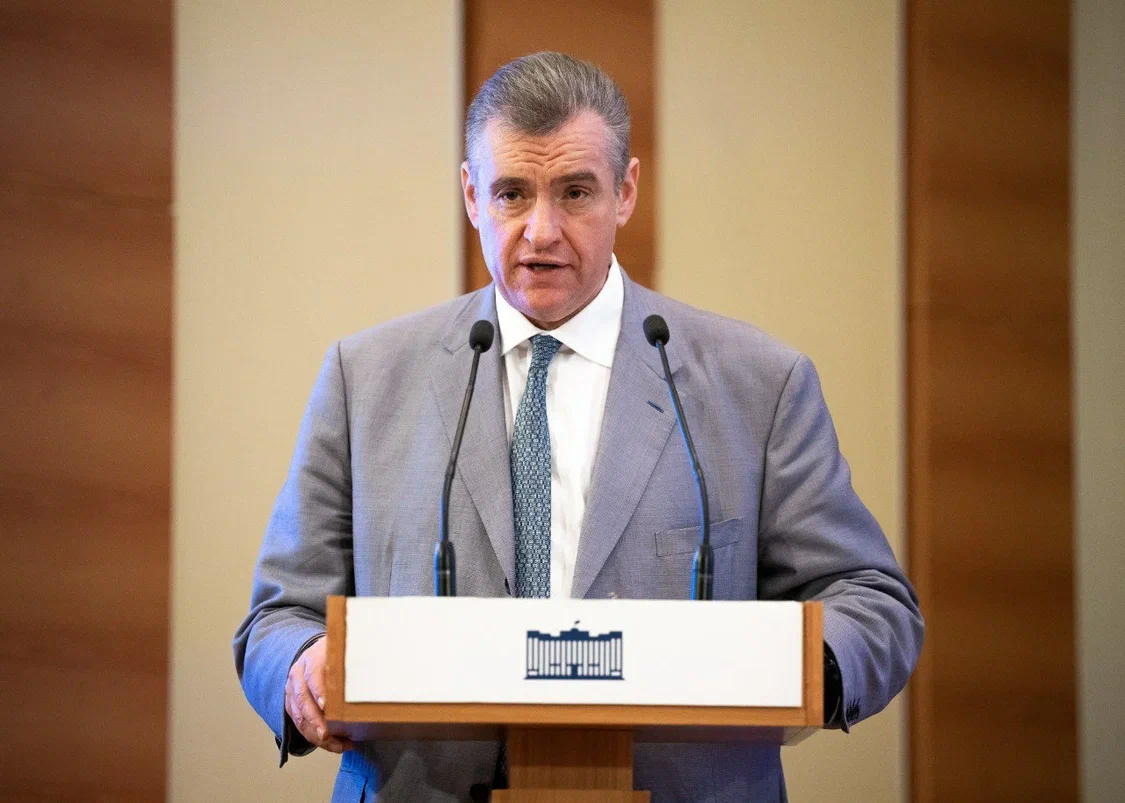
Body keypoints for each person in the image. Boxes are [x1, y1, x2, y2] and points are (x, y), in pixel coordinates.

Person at [234, 51, 923, 802]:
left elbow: (871, 601)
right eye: (511, 194)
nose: (541, 230)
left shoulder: (758, 384)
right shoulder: (364, 379)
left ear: (625, 192)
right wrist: (303, 664)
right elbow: (279, 616)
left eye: (575, 192)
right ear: (471, 195)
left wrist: (794, 668)